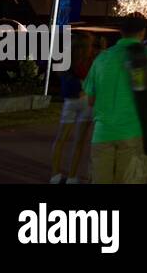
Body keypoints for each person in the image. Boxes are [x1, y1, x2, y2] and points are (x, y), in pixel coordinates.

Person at [82, 14, 147, 184]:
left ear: (121, 32)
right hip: (133, 133)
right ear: (143, 32)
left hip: (102, 134)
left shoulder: (102, 58)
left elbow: (90, 99)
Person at [50, 32, 96, 184]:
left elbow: (58, 72)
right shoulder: (89, 61)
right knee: (79, 142)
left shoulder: (67, 59)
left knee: (60, 139)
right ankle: (72, 176)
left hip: (70, 101)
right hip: (85, 102)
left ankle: (55, 175)